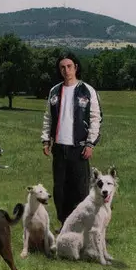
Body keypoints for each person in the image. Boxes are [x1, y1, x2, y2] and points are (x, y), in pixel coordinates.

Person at [40, 52, 102, 228]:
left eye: (69, 66)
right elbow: (48, 117)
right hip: (59, 148)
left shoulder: (87, 91)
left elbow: (96, 119)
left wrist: (90, 143)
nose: (66, 70)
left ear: (76, 67)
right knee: (60, 190)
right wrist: (46, 140)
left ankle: (82, 225)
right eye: (62, 67)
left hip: (79, 148)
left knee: (80, 189)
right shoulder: (54, 91)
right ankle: (64, 224)